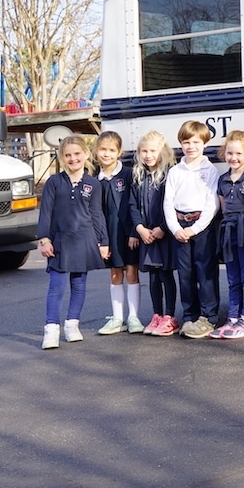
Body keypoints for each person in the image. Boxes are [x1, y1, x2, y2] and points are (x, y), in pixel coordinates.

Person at [38, 135, 109, 349]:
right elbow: (45, 213)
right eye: (67, 155)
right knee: (56, 286)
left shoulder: (93, 184)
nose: (73, 158)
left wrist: (102, 241)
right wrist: (44, 239)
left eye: (77, 154)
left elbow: (97, 214)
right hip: (59, 241)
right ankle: (51, 329)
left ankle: (72, 324)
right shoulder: (53, 182)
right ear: (61, 157)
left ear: (86, 154)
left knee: (79, 285)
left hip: (85, 240)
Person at [163, 120, 220, 339]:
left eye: (196, 142)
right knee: (185, 274)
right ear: (180, 143)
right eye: (186, 142)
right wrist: (176, 228)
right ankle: (190, 315)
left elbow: (212, 204)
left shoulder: (210, 171)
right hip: (180, 227)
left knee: (205, 272)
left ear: (205, 143)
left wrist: (194, 229)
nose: (191, 147)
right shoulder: (176, 171)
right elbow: (168, 202)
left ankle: (209, 316)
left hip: (201, 228)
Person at [211, 130, 244, 340]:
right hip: (229, 232)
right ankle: (232, 319)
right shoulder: (222, 180)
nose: (234, 158)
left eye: (239, 154)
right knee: (232, 278)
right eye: (230, 153)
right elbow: (223, 209)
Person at [128, 131, 179, 336]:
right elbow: (132, 205)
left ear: (163, 152)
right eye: (144, 151)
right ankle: (156, 314)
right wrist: (139, 228)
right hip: (146, 234)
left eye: (153, 151)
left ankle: (169, 315)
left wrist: (163, 228)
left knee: (166, 274)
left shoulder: (169, 174)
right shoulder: (139, 176)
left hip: (163, 234)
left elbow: (174, 204)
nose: (148, 155)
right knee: (154, 277)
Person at [93, 131, 143, 335]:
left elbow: (136, 206)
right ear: (96, 151)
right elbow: (95, 213)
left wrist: (134, 232)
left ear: (119, 152)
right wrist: (100, 240)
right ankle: (117, 318)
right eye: (103, 149)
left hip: (128, 235)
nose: (107, 154)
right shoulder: (95, 179)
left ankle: (133, 317)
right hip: (108, 235)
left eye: (111, 150)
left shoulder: (129, 175)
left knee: (132, 272)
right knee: (115, 273)